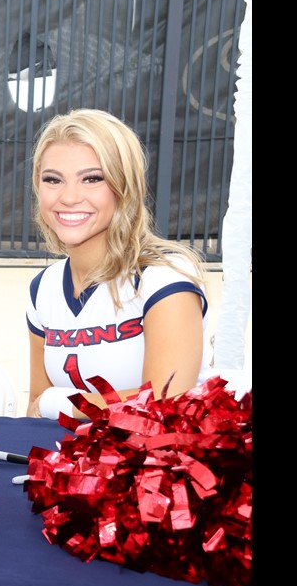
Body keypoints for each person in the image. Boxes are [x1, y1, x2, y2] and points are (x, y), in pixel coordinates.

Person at [24, 109, 209, 419]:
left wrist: (63, 402)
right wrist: (51, 403)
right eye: (53, 179)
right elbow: (33, 410)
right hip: (68, 462)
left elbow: (165, 406)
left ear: (124, 187)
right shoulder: (43, 288)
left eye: (92, 179)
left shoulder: (164, 278)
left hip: (159, 463)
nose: (68, 197)